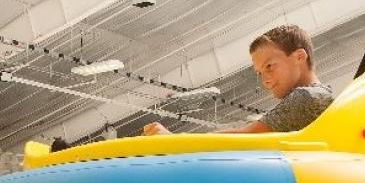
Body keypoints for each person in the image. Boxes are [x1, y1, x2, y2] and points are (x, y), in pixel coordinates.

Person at [142, 24, 332, 136]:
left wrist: (175, 139)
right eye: (259, 72)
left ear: (299, 57)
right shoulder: (322, 97)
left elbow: (245, 138)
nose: (265, 79)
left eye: (269, 66)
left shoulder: (308, 97)